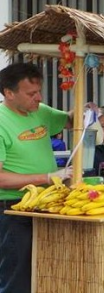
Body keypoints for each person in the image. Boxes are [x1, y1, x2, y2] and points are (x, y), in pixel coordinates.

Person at [0, 62, 74, 293]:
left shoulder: (39, 111)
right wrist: (49, 176)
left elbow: (71, 121)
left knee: (45, 274)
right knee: (17, 277)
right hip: (13, 211)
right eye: (31, 93)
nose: (39, 97)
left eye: (39, 90)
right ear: (8, 93)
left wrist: (88, 111)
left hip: (46, 206)